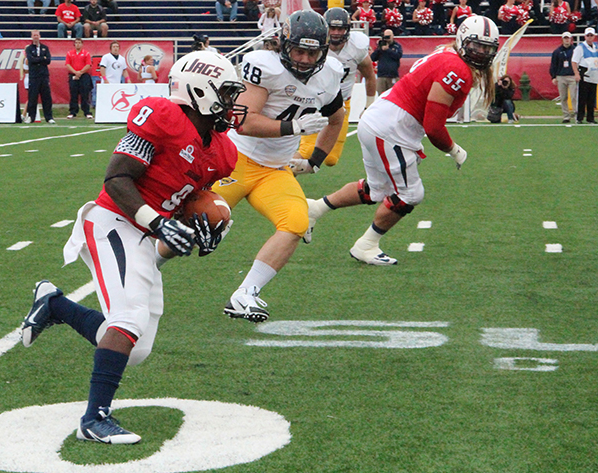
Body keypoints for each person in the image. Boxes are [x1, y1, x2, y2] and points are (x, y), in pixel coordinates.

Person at [20, 50, 246, 444]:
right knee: (129, 318)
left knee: (135, 347)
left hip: (145, 234)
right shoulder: (161, 116)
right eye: (226, 93)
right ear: (199, 90)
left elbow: (197, 194)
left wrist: (210, 225)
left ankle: (55, 304)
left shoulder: (223, 149)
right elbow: (117, 179)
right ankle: (94, 418)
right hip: (113, 221)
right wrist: (159, 222)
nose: (231, 103)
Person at [305, 16, 499, 265]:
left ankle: (316, 208)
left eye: (487, 49)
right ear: (462, 40)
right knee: (411, 193)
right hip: (392, 127)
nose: (481, 54)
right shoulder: (457, 68)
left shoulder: (447, 54)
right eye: (476, 46)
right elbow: (433, 126)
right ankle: (367, 245)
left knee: (377, 190)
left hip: (382, 119)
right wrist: (453, 149)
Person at [212, 10, 345, 322]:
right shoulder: (264, 66)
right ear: (284, 45)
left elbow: (337, 118)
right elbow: (244, 122)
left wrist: (315, 160)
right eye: (298, 50)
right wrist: (295, 128)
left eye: (312, 52)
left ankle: (245, 294)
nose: (304, 59)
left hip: (275, 169)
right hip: (235, 160)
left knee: (297, 222)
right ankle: (148, 267)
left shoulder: (330, 74)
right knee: (197, 224)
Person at [296, 7, 376, 168]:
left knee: (331, 159)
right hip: (316, 101)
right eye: (332, 28)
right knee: (306, 151)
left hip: (341, 104)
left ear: (348, 29)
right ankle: (281, 179)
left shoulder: (357, 47)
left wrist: (369, 105)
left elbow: (369, 75)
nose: (336, 32)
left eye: (340, 28)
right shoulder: (316, 46)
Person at [24, 30, 55, 124]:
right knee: (32, 98)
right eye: (34, 35)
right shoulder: (29, 48)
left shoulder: (45, 48)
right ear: (32, 37)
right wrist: (42, 58)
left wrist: (38, 59)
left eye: (37, 35)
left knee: (46, 97)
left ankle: (49, 117)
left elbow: (48, 60)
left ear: (39, 36)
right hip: (34, 76)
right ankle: (31, 117)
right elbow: (31, 60)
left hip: (44, 76)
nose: (36, 37)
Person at [572, 27, 598, 123]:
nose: (590, 37)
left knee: (592, 98)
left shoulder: (596, 47)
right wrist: (576, 74)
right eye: (588, 35)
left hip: (594, 74)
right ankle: (579, 117)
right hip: (584, 73)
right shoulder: (580, 47)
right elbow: (574, 61)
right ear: (585, 36)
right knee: (582, 97)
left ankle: (590, 118)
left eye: (591, 35)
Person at [550, 31, 577, 123]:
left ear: (571, 39)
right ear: (562, 39)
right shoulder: (557, 51)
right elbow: (554, 65)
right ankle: (566, 116)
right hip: (561, 76)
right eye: (565, 38)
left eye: (568, 38)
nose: (567, 40)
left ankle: (576, 114)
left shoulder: (575, 50)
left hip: (572, 76)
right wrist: (553, 77)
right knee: (563, 97)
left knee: (574, 96)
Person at [65, 38, 93, 119]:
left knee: (85, 94)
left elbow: (88, 65)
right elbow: (68, 64)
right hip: (73, 75)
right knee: (73, 94)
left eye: (79, 43)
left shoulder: (86, 53)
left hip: (84, 75)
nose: (78, 44)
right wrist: (75, 72)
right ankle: (73, 112)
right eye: (76, 43)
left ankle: (87, 112)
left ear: (82, 44)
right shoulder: (70, 53)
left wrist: (80, 72)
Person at [370, 29, 402, 95]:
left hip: (392, 75)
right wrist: (379, 49)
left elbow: (398, 56)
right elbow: (372, 58)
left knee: (394, 95)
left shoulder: (396, 46)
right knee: (381, 95)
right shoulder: (381, 46)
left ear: (393, 36)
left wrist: (388, 50)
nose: (387, 38)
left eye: (389, 36)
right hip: (381, 75)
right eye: (386, 36)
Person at [18, 50, 29, 120]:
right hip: (30, 78)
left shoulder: (24, 60)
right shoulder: (27, 60)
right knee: (30, 98)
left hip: (27, 78)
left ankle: (26, 114)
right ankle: (24, 114)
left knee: (31, 98)